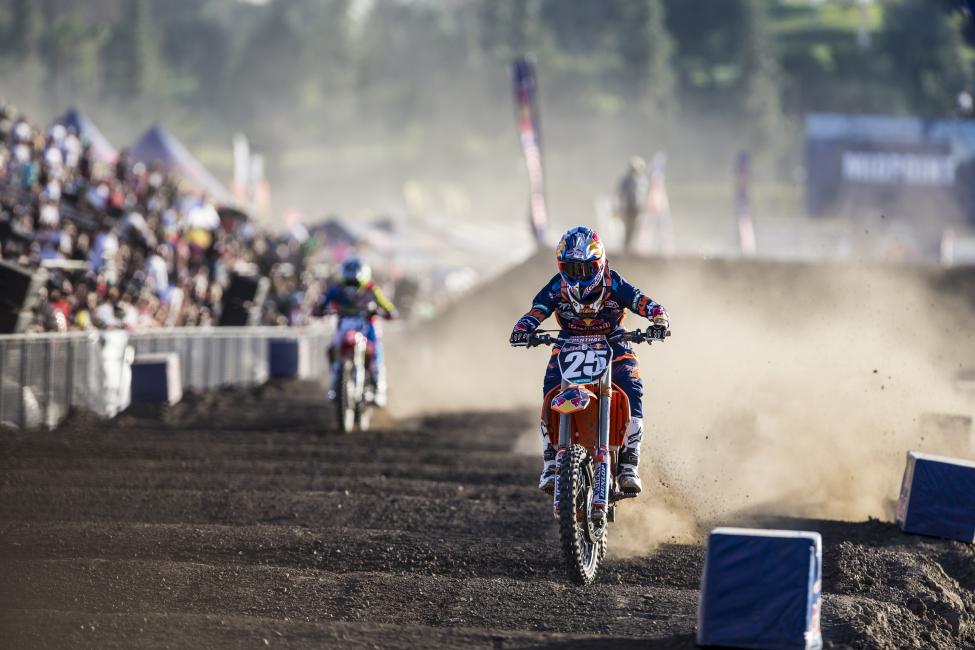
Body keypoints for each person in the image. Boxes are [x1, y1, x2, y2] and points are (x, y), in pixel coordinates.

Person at [509, 226, 669, 495]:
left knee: (632, 388)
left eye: (585, 269)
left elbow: (643, 302)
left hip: (613, 342)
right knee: (550, 390)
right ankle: (551, 461)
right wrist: (523, 328)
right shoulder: (557, 286)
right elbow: (537, 310)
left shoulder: (613, 282)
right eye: (571, 269)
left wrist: (659, 319)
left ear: (599, 263)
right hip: (569, 343)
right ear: (561, 267)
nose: (578, 277)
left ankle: (629, 461)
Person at [318, 258, 397, 406]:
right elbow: (321, 304)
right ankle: (334, 385)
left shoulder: (372, 289)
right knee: (333, 350)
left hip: (367, 325)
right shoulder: (336, 289)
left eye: (355, 282)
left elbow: (389, 308)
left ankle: (379, 388)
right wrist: (320, 310)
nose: (352, 287)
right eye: (349, 282)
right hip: (344, 325)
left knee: (376, 352)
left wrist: (385, 312)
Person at [618, 156, 649, 253]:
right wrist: (620, 207)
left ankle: (632, 246)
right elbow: (620, 194)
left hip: (637, 207)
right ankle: (626, 246)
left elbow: (643, 195)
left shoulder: (642, 180)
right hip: (628, 207)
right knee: (628, 226)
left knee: (636, 226)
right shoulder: (626, 180)